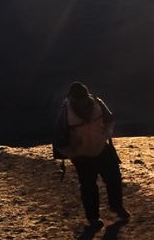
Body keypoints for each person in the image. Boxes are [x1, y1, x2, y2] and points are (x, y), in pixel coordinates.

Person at [53, 82, 130, 230]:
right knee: (89, 187)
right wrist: (72, 153)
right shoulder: (66, 111)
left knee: (114, 179)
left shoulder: (97, 103)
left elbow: (109, 120)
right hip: (82, 156)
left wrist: (106, 135)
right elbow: (59, 138)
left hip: (101, 149)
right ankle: (94, 217)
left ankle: (117, 207)